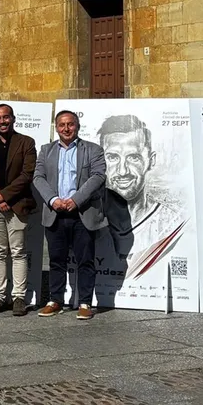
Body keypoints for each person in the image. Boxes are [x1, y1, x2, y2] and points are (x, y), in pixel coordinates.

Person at [32, 110, 106, 321]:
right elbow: (38, 177)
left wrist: (76, 200)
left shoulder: (93, 149)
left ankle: (84, 302)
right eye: (62, 125)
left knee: (85, 260)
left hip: (82, 213)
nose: (66, 128)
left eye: (70, 124)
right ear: (56, 127)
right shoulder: (46, 151)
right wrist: (53, 199)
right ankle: (55, 301)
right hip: (56, 212)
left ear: (77, 126)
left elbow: (98, 176)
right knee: (56, 260)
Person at [0, 104, 36, 317]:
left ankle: (19, 297)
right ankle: (0, 296)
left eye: (6, 117)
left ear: (13, 119)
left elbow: (27, 174)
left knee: (18, 252)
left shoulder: (26, 143)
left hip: (17, 205)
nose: (2, 121)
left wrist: (6, 196)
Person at [98, 114, 182, 260]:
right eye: (112, 157)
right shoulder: (90, 219)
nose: (122, 171)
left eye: (133, 157)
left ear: (151, 161)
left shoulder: (172, 222)